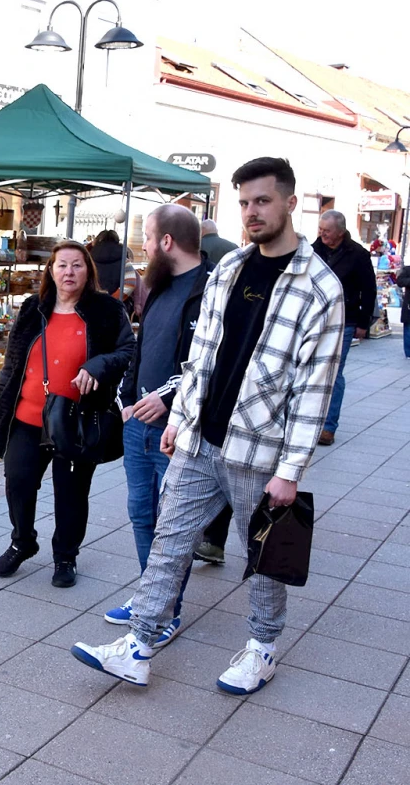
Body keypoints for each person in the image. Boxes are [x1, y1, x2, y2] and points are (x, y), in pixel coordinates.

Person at [71, 157, 344, 694]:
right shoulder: (231, 268)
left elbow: (315, 389)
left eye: (262, 201)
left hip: (259, 450)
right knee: (170, 542)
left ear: (291, 203)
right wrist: (183, 418)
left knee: (262, 556)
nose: (251, 212)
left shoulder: (320, 288)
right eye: (244, 202)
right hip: (200, 441)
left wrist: (291, 471)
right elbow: (201, 356)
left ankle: (262, 648)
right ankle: (140, 645)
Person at [0, 241, 134, 588]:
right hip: (27, 416)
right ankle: (22, 541)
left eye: (77, 265)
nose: (69, 272)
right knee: (19, 482)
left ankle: (65, 557)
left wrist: (99, 366)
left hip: (76, 420)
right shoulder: (31, 309)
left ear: (89, 271)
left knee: (71, 493)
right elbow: (12, 365)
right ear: (51, 271)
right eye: (62, 265)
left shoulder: (106, 311)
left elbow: (128, 349)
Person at [105, 204, 213, 646]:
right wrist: (127, 400)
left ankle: (167, 609)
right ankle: (151, 594)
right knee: (141, 513)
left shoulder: (210, 289)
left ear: (166, 241)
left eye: (148, 239)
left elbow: (207, 362)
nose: (144, 247)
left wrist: (166, 398)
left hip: (177, 430)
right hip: (138, 424)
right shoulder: (158, 284)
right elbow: (142, 345)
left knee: (174, 525)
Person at [312, 210, 377, 446]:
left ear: (340, 232)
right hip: (314, 318)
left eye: (326, 231)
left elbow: (368, 289)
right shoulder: (312, 250)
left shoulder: (358, 254)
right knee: (310, 370)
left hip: (345, 319)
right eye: (320, 230)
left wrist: (363, 322)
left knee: (335, 372)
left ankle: (328, 427)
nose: (322, 234)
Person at [90, 229, 124, 295]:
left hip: (93, 300)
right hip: (118, 303)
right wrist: (113, 299)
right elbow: (131, 283)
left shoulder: (89, 258)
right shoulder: (124, 259)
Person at [399, 264, 410, 359]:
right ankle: (409, 353)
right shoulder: (408, 269)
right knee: (408, 329)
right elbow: (400, 281)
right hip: (409, 305)